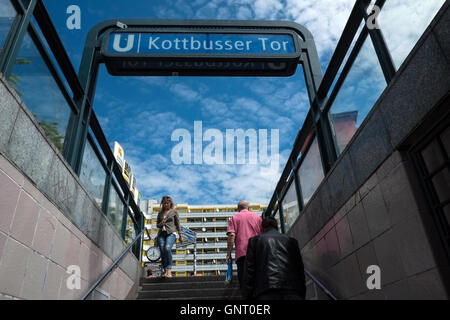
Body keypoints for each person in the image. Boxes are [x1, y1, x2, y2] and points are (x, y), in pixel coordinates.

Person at [245, 216, 306, 300]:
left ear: (262, 228)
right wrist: (301, 293)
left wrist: (249, 295)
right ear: (277, 227)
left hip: (265, 291)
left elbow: (249, 271)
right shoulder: (291, 241)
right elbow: (299, 269)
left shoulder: (255, 241)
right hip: (292, 291)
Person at [226, 200, 262, 290]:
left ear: (238, 209)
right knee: (258, 279)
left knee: (244, 281)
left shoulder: (234, 218)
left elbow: (231, 235)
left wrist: (228, 254)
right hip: (257, 253)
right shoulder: (258, 217)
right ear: (249, 208)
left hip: (242, 254)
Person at [156, 195, 183, 278]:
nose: (166, 205)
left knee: (167, 249)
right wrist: (161, 224)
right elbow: (157, 225)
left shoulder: (174, 212)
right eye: (164, 203)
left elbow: (178, 224)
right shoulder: (160, 213)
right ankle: (165, 270)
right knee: (162, 251)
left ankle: (169, 270)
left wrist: (180, 235)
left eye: (167, 203)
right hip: (161, 234)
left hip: (171, 234)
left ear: (170, 203)